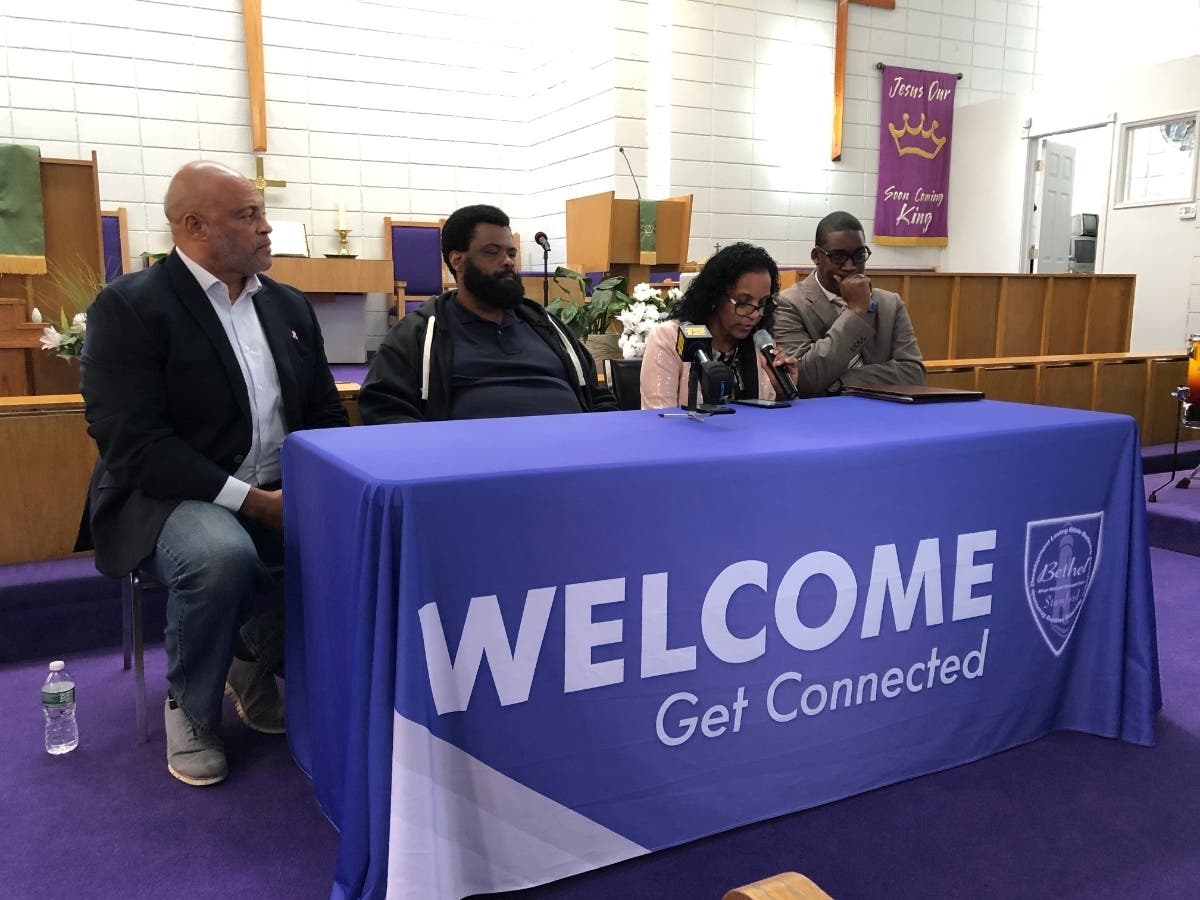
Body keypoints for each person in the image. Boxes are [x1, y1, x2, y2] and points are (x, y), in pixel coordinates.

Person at [80, 161, 348, 787]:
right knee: (219, 557)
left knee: (368, 537)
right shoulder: (131, 308)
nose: (265, 228)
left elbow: (324, 412)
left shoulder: (285, 305)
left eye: (261, 214)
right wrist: (255, 502)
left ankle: (249, 650)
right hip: (169, 494)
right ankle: (193, 709)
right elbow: (135, 444)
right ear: (194, 226)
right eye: (247, 215)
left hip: (280, 484)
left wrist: (328, 488)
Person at [358, 204, 617, 423]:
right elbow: (385, 410)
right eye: (492, 252)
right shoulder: (419, 334)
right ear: (457, 260)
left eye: (511, 253)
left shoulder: (549, 328)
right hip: (470, 471)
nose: (507, 261)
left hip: (571, 460)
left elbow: (597, 396)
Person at [772, 211, 925, 397]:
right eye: (839, 257)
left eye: (859, 255)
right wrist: (855, 312)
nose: (850, 266)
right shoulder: (788, 304)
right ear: (816, 256)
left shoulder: (890, 304)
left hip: (884, 414)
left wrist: (839, 382)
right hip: (821, 418)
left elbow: (913, 372)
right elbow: (803, 378)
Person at [640, 242, 798, 409]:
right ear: (715, 297)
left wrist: (780, 392)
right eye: (744, 302)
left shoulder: (759, 343)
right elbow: (659, 421)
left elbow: (767, 424)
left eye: (763, 302)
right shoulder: (669, 339)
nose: (756, 314)